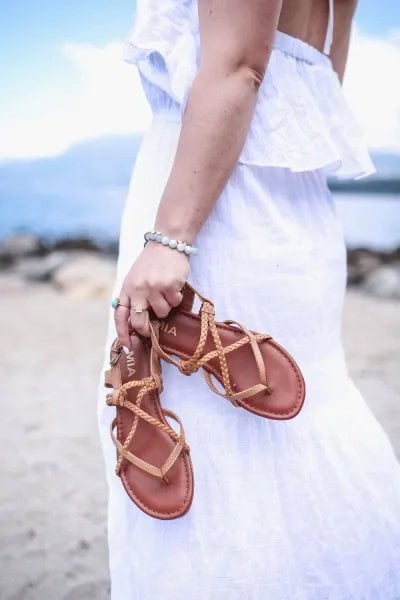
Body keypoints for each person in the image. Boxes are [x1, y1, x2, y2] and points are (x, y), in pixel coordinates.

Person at [97, 1, 400, 597]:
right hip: (296, 212)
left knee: (213, 455)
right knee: (307, 426)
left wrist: (169, 237)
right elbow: (318, 80)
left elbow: (238, 67)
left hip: (212, 212)